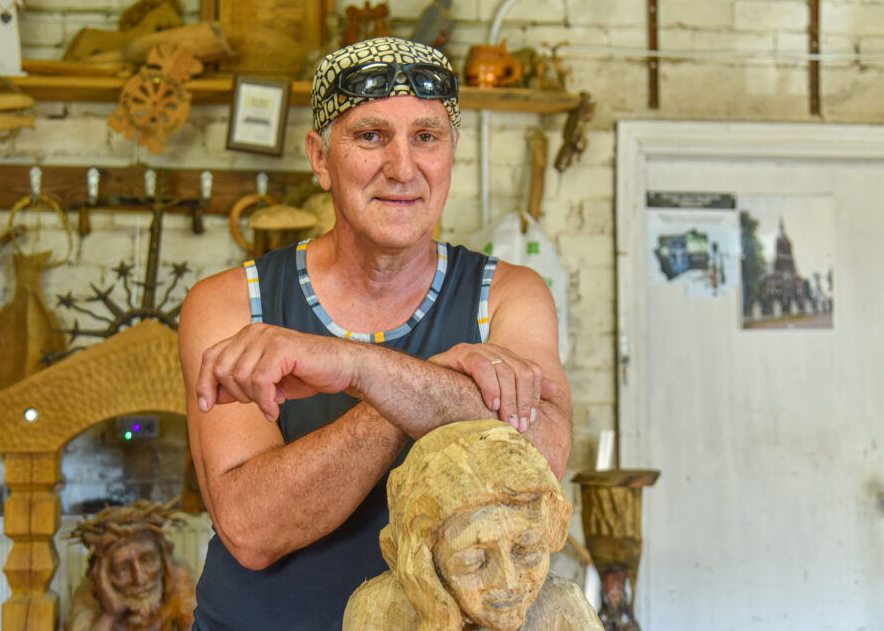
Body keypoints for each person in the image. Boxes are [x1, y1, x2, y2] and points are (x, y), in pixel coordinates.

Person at [178, 36, 572, 629]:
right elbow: (252, 529)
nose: (402, 167)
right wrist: (431, 389)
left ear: (451, 152)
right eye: (370, 136)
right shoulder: (231, 303)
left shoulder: (508, 294)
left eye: (426, 137)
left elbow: (540, 461)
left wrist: (359, 368)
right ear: (320, 158)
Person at [343, 419, 603, 630]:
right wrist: (438, 623)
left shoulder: (563, 608)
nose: (509, 581)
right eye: (473, 562)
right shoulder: (379, 609)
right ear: (425, 561)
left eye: (527, 550)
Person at [65, 501, 196, 631]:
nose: (139, 579)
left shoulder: (176, 577)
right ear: (103, 573)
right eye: (122, 569)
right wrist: (109, 616)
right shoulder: (93, 592)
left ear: (163, 557)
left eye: (148, 560)